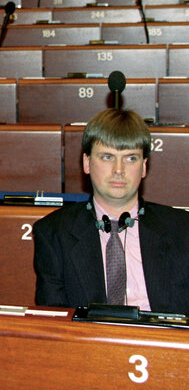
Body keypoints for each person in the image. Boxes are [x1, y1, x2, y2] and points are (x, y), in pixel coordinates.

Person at [33, 108, 189, 314]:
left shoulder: (183, 229)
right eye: (107, 157)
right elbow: (55, 323)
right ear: (86, 162)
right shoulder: (53, 233)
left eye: (130, 158)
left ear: (144, 167)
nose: (119, 169)